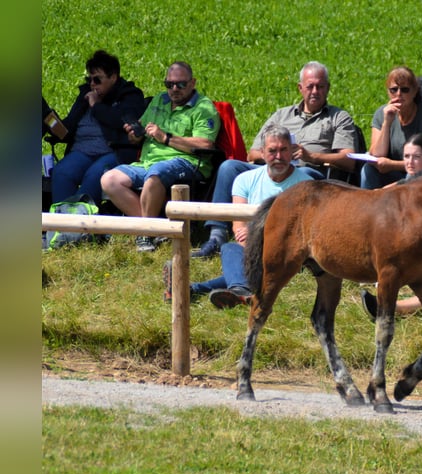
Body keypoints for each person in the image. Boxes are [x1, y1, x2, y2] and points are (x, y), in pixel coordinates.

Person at [191, 61, 357, 258]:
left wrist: (311, 156)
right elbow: (253, 153)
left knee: (308, 175)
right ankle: (217, 235)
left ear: (327, 88)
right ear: (300, 87)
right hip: (271, 166)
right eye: (310, 86)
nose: (315, 91)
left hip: (309, 172)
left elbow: (349, 159)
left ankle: (279, 234)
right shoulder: (282, 115)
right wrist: (275, 154)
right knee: (229, 167)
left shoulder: (338, 117)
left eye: (320, 86)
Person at [162, 124, 313, 308]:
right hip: (252, 249)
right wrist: (254, 244)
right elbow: (239, 227)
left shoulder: (306, 185)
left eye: (284, 150)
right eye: (272, 151)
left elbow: (303, 235)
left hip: (287, 255)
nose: (279, 157)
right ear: (262, 153)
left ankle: (199, 289)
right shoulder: (245, 180)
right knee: (231, 249)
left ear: (292, 152)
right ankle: (233, 291)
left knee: (242, 265)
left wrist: (260, 237)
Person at [100, 61, 220, 251]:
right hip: (147, 162)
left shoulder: (204, 108)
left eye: (180, 84)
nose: (174, 89)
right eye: (169, 84)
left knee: (155, 174)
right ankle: (157, 229)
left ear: (192, 83)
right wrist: (135, 134)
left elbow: (205, 144)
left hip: (187, 162)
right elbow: (141, 133)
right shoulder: (159, 100)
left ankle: (146, 234)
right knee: (109, 179)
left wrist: (165, 138)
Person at [46, 50, 145, 205]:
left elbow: (121, 121)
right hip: (82, 150)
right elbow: (71, 123)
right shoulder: (86, 94)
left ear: (113, 77)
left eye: (97, 80)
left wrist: (96, 106)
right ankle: (64, 222)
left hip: (113, 152)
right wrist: (54, 125)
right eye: (89, 79)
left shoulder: (129, 95)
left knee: (94, 175)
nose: (92, 84)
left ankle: (76, 222)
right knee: (62, 172)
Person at [360, 66, 422, 189]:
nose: (399, 94)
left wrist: (393, 165)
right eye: (393, 90)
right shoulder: (382, 113)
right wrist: (387, 122)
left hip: (421, 175)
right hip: (391, 173)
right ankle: (368, 206)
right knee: (367, 170)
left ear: (415, 91)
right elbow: (377, 154)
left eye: (405, 90)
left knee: (411, 175)